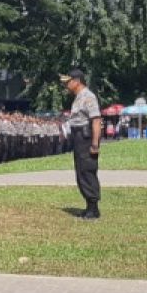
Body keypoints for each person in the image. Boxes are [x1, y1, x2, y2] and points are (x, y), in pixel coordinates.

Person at [61, 68, 102, 219]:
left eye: (68, 82)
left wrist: (95, 144)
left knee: (87, 170)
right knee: (81, 171)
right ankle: (89, 206)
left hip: (86, 138)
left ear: (77, 81)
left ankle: (93, 207)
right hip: (78, 137)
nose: (66, 85)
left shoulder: (88, 97)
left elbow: (96, 120)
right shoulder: (78, 97)